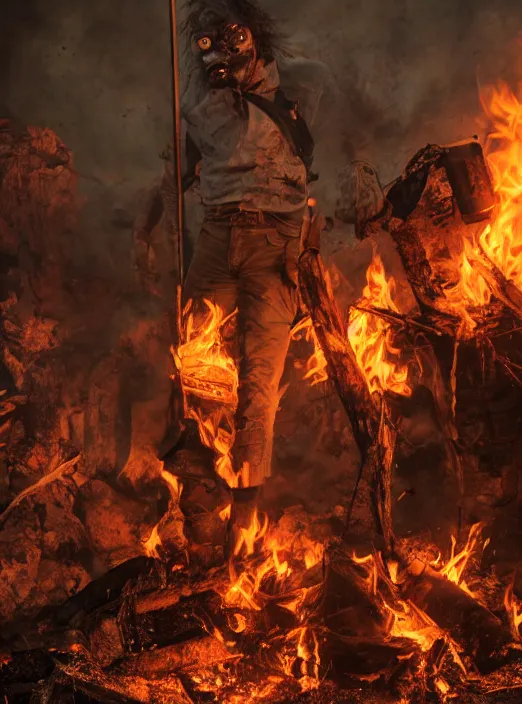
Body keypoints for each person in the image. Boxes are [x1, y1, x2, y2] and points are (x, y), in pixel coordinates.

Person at [163, 0, 319, 575]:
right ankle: (201, 502)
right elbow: (174, 178)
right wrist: (146, 222)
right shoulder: (198, 109)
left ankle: (247, 512)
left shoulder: (293, 93)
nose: (223, 52)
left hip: (273, 246)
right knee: (194, 365)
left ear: (255, 39)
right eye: (209, 43)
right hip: (215, 242)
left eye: (232, 40)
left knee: (259, 382)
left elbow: (317, 165)